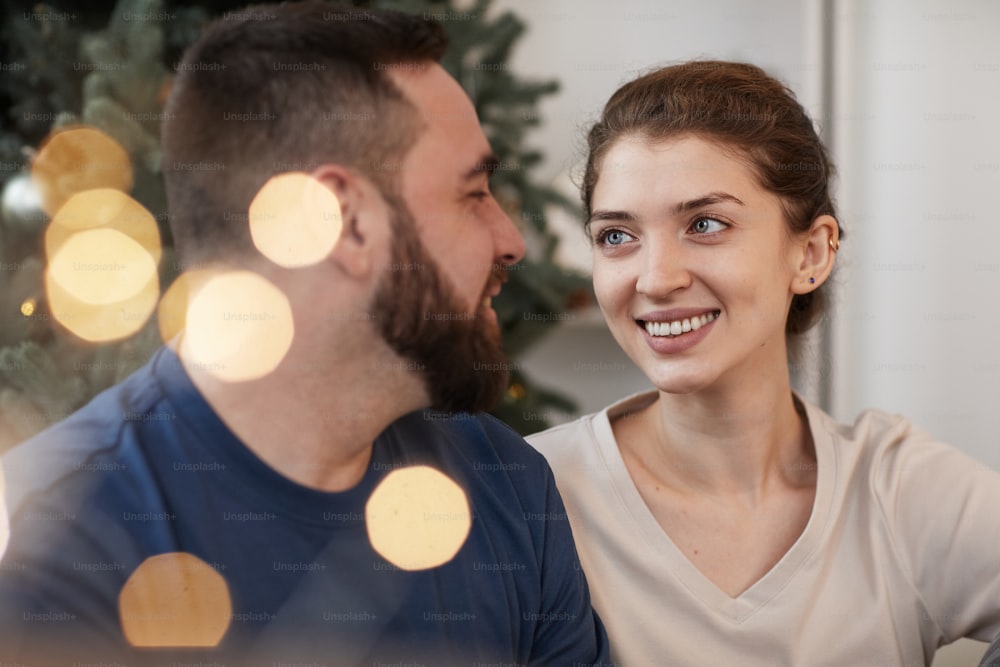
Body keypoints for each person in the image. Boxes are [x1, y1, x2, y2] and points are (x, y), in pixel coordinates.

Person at [0, 3, 609, 665]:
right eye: (472, 194)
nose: (511, 241)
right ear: (342, 222)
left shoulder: (507, 485)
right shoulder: (52, 546)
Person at [527, 60, 1000, 665]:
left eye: (705, 224)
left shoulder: (895, 491)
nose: (655, 278)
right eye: (617, 236)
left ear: (810, 252)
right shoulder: (532, 493)